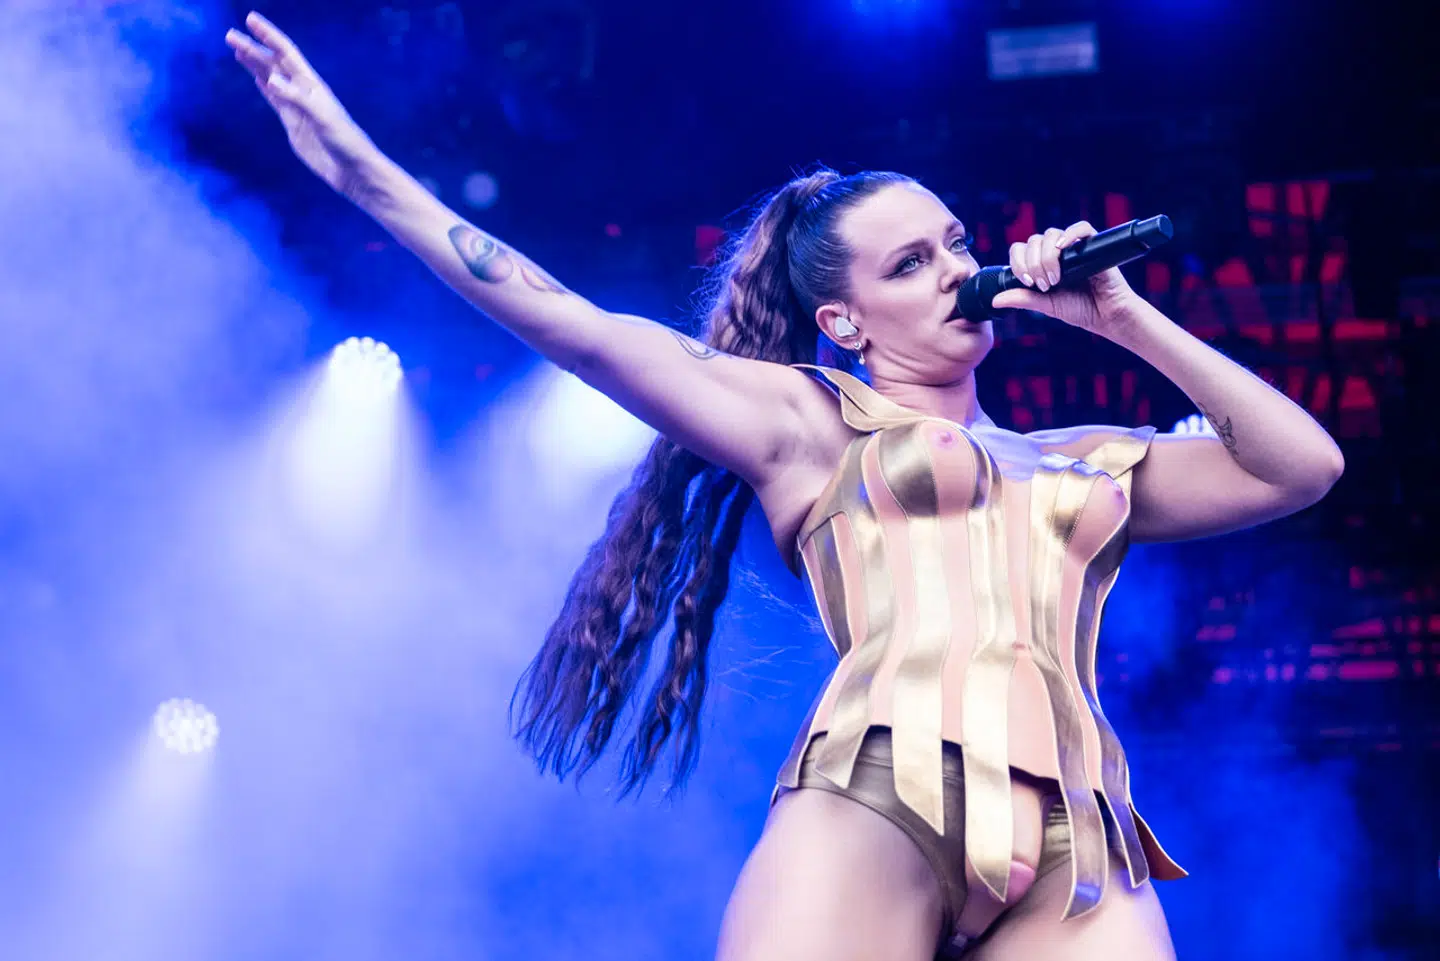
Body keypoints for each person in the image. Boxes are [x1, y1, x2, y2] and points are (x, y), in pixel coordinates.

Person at [226, 12, 1345, 960]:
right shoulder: (810, 421)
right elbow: (576, 325)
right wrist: (365, 176)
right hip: (881, 793)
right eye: (910, 263)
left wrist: (1123, 318)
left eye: (956, 243)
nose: (956, 270)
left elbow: (1302, 466)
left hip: (1080, 837)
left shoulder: (1080, 455)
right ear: (845, 322)